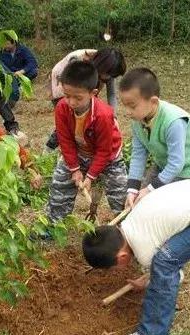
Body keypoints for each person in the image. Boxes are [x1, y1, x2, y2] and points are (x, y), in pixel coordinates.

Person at [82, 179, 190, 335]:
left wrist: (153, 280)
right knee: (165, 261)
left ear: (122, 257)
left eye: (113, 267)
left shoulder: (143, 249)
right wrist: (149, 279)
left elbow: (172, 273)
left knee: (164, 262)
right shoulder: (131, 222)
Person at [45, 61, 127, 225]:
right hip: (79, 152)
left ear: (93, 93)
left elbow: (104, 151)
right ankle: (54, 224)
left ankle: (125, 227)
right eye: (67, 95)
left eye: (78, 97)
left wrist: (90, 176)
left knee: (120, 192)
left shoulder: (103, 115)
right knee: (59, 184)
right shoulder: (62, 108)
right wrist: (75, 169)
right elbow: (65, 141)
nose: (71, 102)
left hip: (109, 157)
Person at [119, 68, 190, 208]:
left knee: (168, 206)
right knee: (139, 199)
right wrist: (132, 189)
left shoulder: (174, 122)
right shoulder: (138, 120)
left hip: (189, 166)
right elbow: (138, 154)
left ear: (153, 102)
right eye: (125, 106)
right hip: (164, 162)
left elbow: (177, 163)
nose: (128, 112)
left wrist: (150, 189)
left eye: (132, 106)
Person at [45, 48, 126, 151]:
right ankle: (49, 149)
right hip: (64, 84)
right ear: (102, 66)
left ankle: (81, 149)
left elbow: (111, 94)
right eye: (108, 74)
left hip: (83, 89)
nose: (109, 77)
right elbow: (73, 87)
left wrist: (113, 117)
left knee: (86, 119)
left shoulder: (108, 71)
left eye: (112, 76)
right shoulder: (78, 61)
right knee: (68, 120)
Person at [0, 38, 39, 135]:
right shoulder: (2, 53)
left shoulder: (23, 50)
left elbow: (32, 63)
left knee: (34, 71)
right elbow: (2, 67)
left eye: (6, 43)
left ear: (13, 43)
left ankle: (20, 84)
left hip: (22, 73)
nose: (4, 46)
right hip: (10, 75)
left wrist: (22, 71)